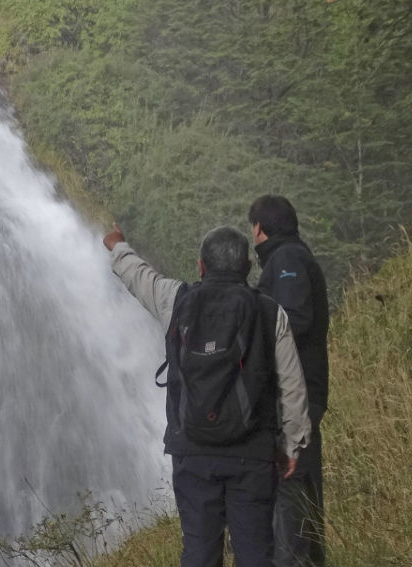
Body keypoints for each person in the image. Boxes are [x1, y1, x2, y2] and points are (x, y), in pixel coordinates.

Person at [103, 224, 310, 567]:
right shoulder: (271, 313)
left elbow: (139, 277)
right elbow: (292, 386)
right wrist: (292, 445)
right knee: (256, 552)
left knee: (199, 553)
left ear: (201, 266)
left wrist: (118, 246)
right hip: (253, 453)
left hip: (193, 452)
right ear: (247, 268)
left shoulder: (176, 299)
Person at [248, 196, 329, 567]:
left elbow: (294, 319)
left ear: (260, 228)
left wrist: (250, 347)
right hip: (298, 398)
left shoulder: (288, 260)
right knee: (302, 504)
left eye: (253, 228)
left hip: (294, 402)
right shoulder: (291, 256)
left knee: (291, 509)